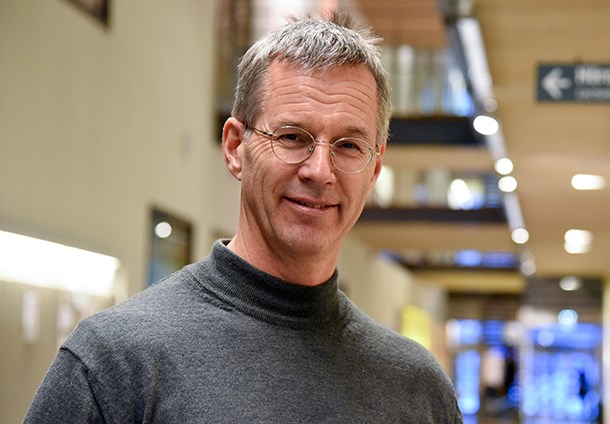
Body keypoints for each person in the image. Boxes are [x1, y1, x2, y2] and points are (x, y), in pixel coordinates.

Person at [24, 12, 463, 423]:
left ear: (375, 170)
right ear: (235, 147)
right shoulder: (116, 363)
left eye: (348, 145)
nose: (319, 170)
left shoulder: (417, 390)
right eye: (292, 137)